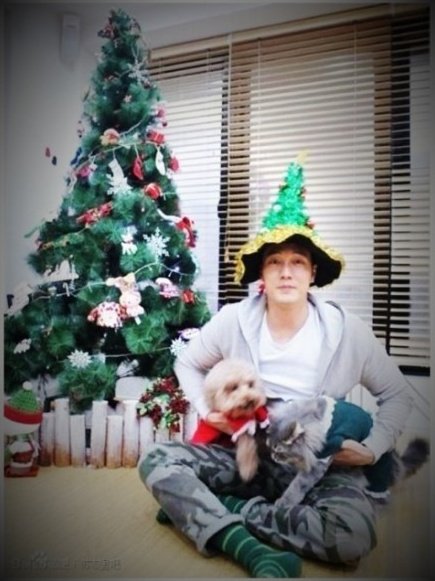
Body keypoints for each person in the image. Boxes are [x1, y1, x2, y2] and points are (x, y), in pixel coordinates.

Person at [138, 158, 413, 578]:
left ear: (312, 272)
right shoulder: (233, 319)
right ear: (261, 274)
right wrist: (208, 411)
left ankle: (223, 509)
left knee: (351, 537)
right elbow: (187, 363)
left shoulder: (347, 330)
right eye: (275, 262)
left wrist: (373, 447)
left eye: (298, 262)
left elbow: (396, 393)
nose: (286, 272)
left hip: (317, 463)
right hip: (245, 453)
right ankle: (244, 544)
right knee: (157, 459)